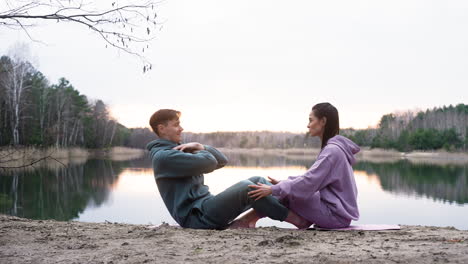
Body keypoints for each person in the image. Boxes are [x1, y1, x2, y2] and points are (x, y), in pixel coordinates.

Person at [146, 109, 310, 229]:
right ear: (162, 128)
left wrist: (201, 146)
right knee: (248, 188)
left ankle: (250, 220)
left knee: (257, 181)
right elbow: (210, 163)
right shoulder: (164, 157)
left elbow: (222, 161)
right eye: (176, 125)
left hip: (205, 207)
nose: (181, 129)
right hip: (196, 219)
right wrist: (199, 148)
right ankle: (298, 221)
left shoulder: (177, 150)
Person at [247, 103, 360, 229]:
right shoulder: (334, 149)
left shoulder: (332, 152)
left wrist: (274, 189)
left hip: (335, 217)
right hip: (337, 212)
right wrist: (283, 183)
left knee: (287, 194)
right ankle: (251, 220)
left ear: (323, 121)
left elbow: (309, 181)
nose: (308, 125)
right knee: (287, 190)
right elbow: (311, 178)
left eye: (311, 120)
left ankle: (249, 221)